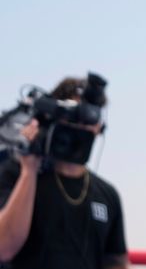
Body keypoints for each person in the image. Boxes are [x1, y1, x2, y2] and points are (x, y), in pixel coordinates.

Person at [0, 76, 130, 269]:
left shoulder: (107, 194)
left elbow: (115, 261)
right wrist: (29, 169)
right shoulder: (16, 172)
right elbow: (4, 248)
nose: (82, 126)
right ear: (55, 116)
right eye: (75, 116)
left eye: (90, 118)